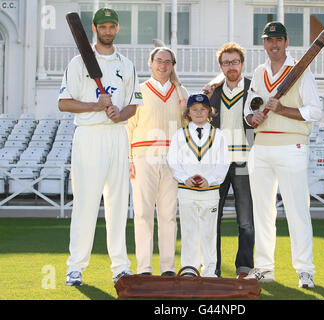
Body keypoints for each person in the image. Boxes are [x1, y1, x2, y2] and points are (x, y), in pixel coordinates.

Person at [58, 8, 143, 286]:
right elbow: (64, 102)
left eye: (112, 26)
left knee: (118, 204)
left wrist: (121, 114)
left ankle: (120, 266)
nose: (107, 31)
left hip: (117, 134)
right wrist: (95, 105)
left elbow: (134, 104)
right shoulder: (77, 62)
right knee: (86, 203)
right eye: (102, 26)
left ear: (117, 29)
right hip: (90, 136)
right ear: (94, 29)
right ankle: (76, 267)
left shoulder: (126, 64)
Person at [243, 21, 323, 288]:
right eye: (269, 40)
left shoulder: (300, 71)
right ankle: (264, 268)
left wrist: (282, 111)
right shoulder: (258, 72)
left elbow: (315, 111)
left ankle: (305, 271)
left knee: (297, 210)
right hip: (262, 146)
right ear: (264, 43)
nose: (274, 44)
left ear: (286, 42)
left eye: (278, 40)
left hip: (292, 146)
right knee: (262, 213)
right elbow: (249, 106)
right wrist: (252, 115)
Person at [126, 47, 189, 276]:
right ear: (150, 63)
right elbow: (129, 128)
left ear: (173, 66)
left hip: (172, 159)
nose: (163, 65)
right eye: (159, 61)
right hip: (143, 157)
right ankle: (144, 268)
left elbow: (188, 126)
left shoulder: (181, 92)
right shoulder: (139, 91)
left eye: (168, 62)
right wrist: (129, 159)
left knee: (168, 215)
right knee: (142, 214)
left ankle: (168, 268)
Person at [203, 42, 255, 278]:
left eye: (235, 62)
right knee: (214, 216)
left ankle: (244, 267)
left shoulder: (254, 89)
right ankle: (213, 267)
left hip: (245, 161)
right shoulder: (212, 92)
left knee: (245, 218)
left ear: (242, 64)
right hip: (219, 163)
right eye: (226, 63)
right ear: (220, 66)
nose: (231, 66)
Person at [167, 93, 230, 277]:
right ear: (188, 112)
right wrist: (184, 177)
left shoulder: (218, 135)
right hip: (186, 191)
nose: (199, 113)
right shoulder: (180, 134)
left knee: (209, 234)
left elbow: (224, 162)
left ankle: (209, 271)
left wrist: (209, 180)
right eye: (194, 109)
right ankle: (189, 270)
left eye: (203, 109)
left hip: (210, 192)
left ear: (210, 112)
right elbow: (173, 160)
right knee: (189, 232)